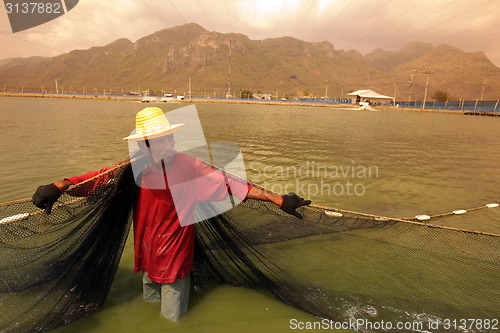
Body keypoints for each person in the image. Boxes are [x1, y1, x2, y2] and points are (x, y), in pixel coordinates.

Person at [32, 107, 311, 322]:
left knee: (171, 316)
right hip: (145, 248)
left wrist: (277, 198)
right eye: (159, 140)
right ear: (144, 146)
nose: (168, 144)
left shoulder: (189, 165)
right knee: (149, 301)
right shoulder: (133, 166)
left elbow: (230, 182)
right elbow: (98, 179)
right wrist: (60, 185)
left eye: (169, 137)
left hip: (174, 253)